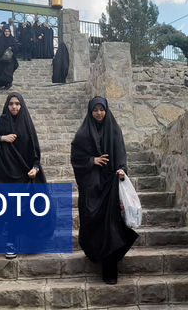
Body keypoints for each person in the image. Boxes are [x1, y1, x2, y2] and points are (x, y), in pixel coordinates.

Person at [70, 97, 138, 285]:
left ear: (106, 111)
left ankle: (110, 269)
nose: (99, 113)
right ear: (90, 112)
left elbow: (121, 154)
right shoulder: (83, 134)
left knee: (111, 227)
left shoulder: (114, 130)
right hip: (91, 188)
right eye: (95, 110)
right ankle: (95, 255)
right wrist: (92, 161)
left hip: (111, 185)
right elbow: (76, 157)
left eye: (101, 109)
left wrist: (122, 170)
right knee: (93, 223)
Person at [0, 93, 46, 258]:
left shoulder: (27, 124)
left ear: (22, 106)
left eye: (17, 104)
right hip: (1, 174)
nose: (14, 107)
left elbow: (34, 149)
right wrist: (2, 138)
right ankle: (10, 241)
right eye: (11, 104)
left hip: (21, 173)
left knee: (21, 206)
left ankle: (18, 239)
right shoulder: (0, 120)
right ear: (7, 106)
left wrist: (35, 167)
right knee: (7, 206)